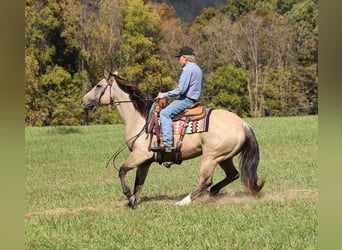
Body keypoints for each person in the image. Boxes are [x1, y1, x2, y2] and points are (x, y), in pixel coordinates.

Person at [152, 46, 203, 152]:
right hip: (193, 99)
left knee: (164, 113)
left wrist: (164, 95)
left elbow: (180, 90)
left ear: (185, 58)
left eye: (179, 58)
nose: (179, 60)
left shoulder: (188, 69)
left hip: (186, 100)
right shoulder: (197, 68)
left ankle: (167, 144)